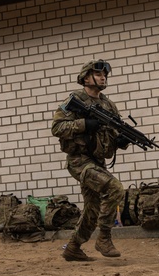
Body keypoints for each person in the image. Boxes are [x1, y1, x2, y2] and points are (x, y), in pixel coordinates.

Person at [51, 60, 128, 261]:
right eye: (98, 74)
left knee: (92, 208)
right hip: (79, 161)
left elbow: (111, 133)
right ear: (86, 77)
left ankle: (74, 247)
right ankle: (104, 238)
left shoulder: (108, 105)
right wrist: (84, 124)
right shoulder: (74, 100)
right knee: (115, 188)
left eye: (105, 75)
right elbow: (57, 128)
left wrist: (120, 140)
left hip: (98, 161)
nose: (103, 78)